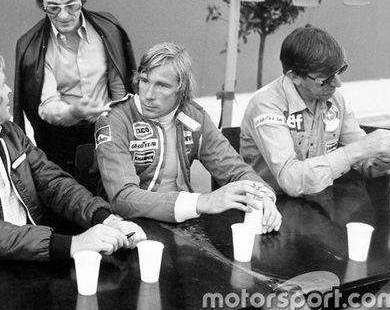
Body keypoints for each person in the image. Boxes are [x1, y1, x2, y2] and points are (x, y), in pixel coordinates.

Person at [0, 47, 146, 261]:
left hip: (33, 257)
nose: (9, 91)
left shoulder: (10, 133)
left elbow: (53, 183)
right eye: (2, 85)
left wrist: (108, 219)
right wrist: (72, 245)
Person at [95, 42, 281, 232]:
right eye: (144, 81)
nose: (148, 95)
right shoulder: (115, 120)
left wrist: (263, 196)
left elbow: (236, 171)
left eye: (162, 85)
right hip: (129, 229)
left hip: (185, 228)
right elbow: (123, 198)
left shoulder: (194, 116)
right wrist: (203, 201)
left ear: (181, 90)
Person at [240, 26, 390, 197]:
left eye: (339, 71)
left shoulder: (335, 99)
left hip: (317, 203)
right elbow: (291, 180)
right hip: (266, 204)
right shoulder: (267, 105)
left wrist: (382, 158)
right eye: (325, 79)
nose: (338, 83)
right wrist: (361, 148)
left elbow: (365, 163)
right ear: (294, 77)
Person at [13, 0, 136, 177]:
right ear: (42, 5)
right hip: (60, 143)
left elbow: (119, 84)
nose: (63, 16)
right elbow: (46, 105)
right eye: (53, 8)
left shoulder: (106, 29)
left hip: (108, 133)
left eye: (71, 5)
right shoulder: (32, 47)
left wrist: (122, 125)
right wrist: (73, 112)